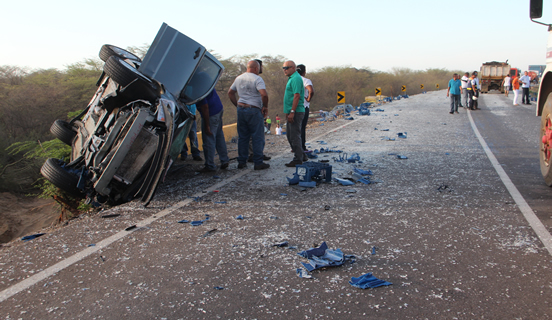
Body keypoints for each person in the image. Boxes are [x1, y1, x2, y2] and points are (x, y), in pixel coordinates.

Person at [228, 60, 270, 170]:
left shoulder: (239, 78)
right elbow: (264, 95)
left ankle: (242, 161)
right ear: (256, 68)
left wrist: (237, 105)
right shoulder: (257, 79)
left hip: (241, 109)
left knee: (243, 137)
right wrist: (265, 106)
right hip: (254, 109)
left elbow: (230, 92)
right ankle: (258, 162)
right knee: (257, 137)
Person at [196, 88, 229, 173]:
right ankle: (224, 160)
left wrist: (207, 126)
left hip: (211, 113)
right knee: (219, 135)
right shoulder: (204, 79)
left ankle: (210, 165)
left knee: (209, 138)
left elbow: (205, 107)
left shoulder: (198, 89)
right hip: (218, 109)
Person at [282, 60, 305, 167]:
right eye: (283, 68)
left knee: (294, 136)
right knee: (290, 135)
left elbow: (296, 96)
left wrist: (292, 112)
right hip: (292, 111)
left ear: (293, 68)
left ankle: (298, 159)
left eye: (286, 68)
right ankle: (301, 155)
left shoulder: (295, 78)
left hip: (296, 111)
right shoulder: (291, 78)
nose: (284, 70)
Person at [296, 64, 314, 151]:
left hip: (294, 107)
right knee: (302, 128)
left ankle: (295, 147)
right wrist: (308, 98)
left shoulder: (293, 80)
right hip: (303, 106)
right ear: (304, 72)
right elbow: (311, 90)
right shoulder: (305, 80)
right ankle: (302, 147)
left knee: (295, 129)